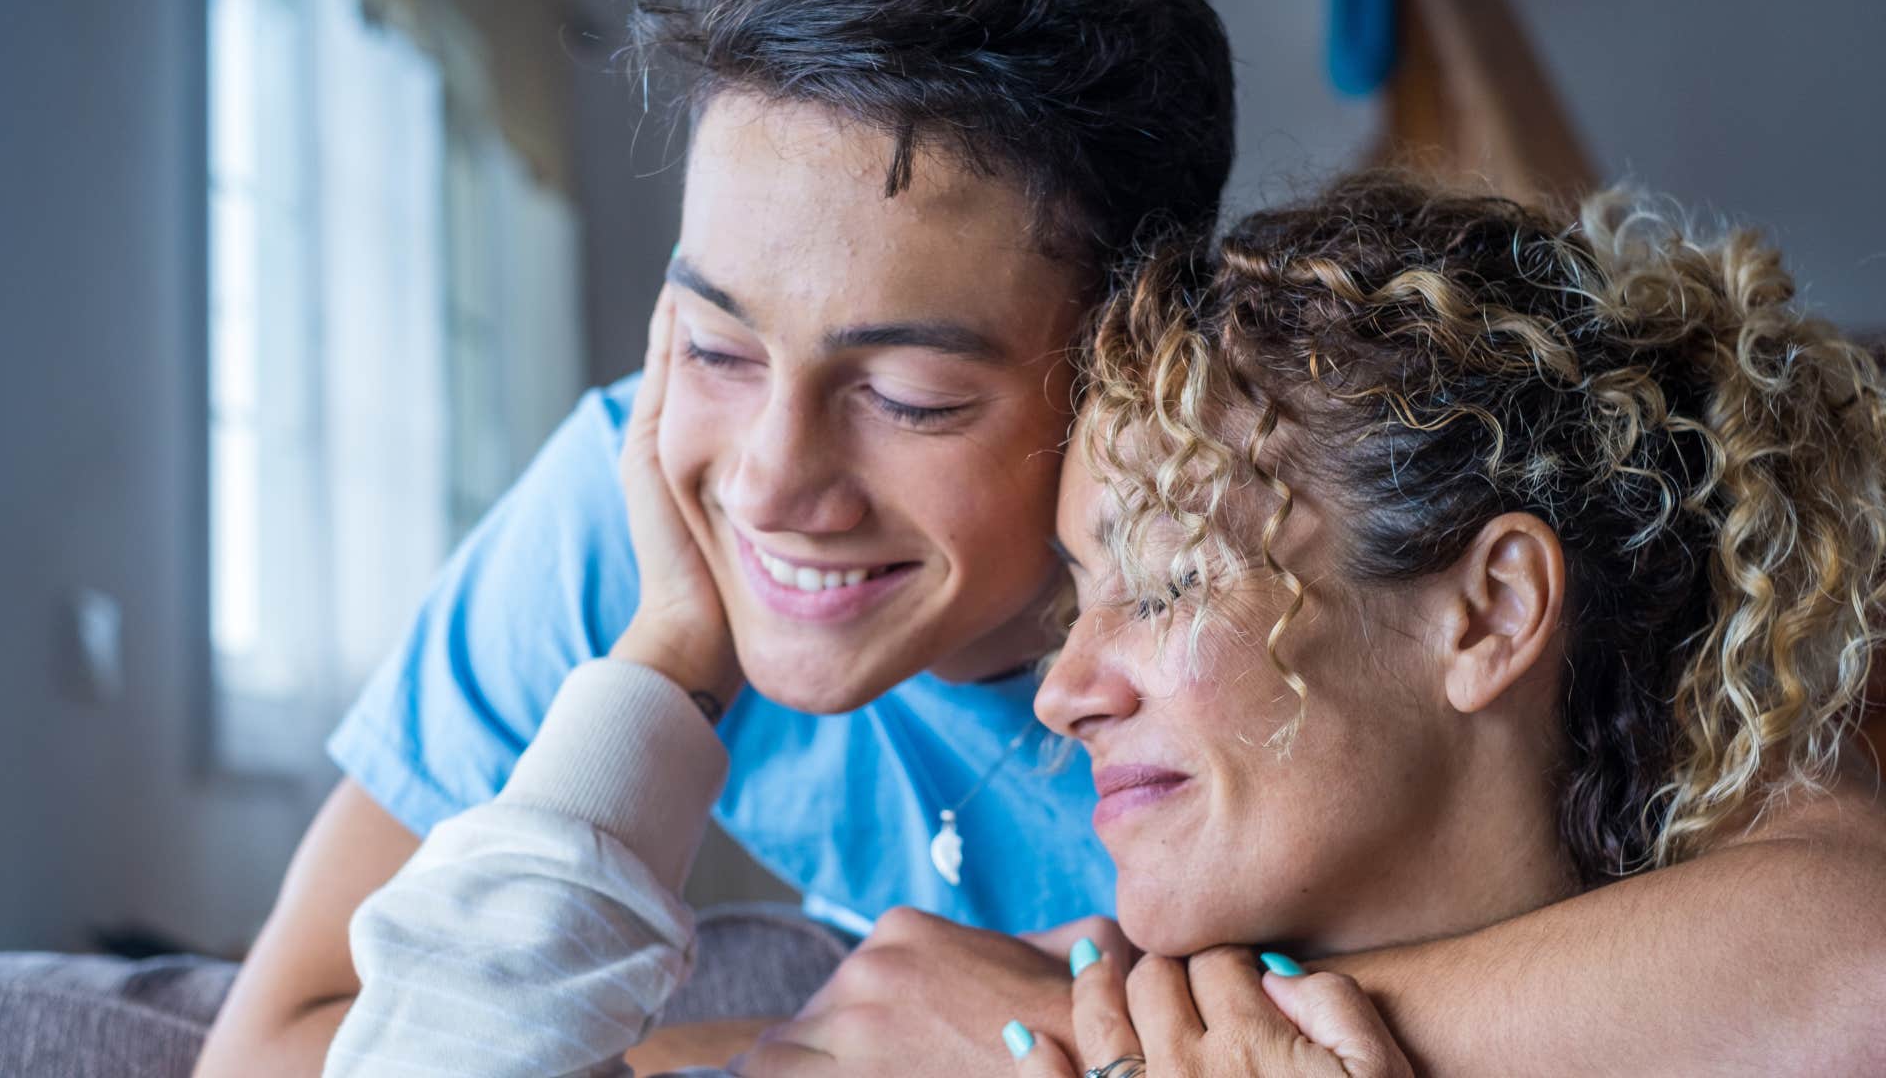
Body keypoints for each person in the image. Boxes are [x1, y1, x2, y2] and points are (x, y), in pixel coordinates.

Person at [323, 173, 1886, 1078]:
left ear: (1488, 610)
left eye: (1169, 576)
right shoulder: (972, 1015)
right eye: (1082, 594)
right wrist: (667, 657)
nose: (1061, 692)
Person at [195, 0, 1238, 1073]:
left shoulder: (1281, 605)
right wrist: (668, 656)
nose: (769, 485)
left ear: (1137, 368)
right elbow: (269, 1047)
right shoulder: (642, 503)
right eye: (715, 346)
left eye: (909, 396)